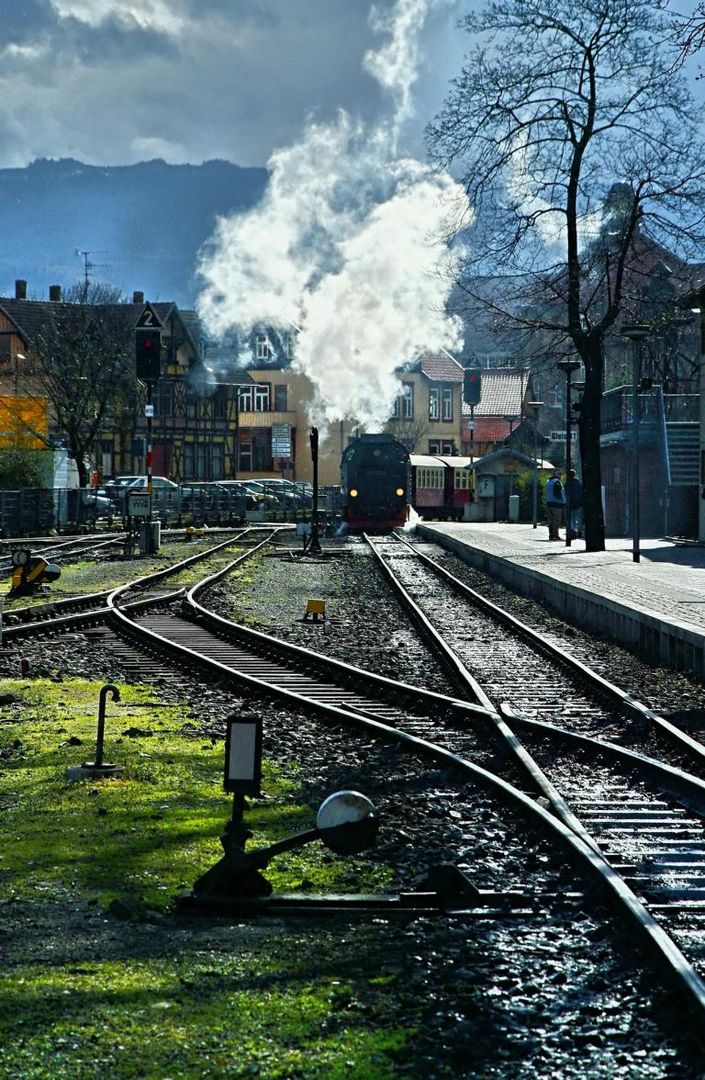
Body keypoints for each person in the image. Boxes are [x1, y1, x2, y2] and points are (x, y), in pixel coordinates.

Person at [545, 468, 565, 541]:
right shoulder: (557, 482)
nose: (560, 475)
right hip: (557, 503)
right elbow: (558, 492)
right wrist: (562, 500)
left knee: (550, 520)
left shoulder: (549, 481)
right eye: (559, 474)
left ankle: (551, 535)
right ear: (555, 474)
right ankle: (556, 535)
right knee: (556, 520)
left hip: (549, 502)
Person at [566, 468, 584, 539]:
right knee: (578, 518)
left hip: (571, 503)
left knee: (571, 517)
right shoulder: (579, 483)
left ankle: (573, 531)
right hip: (579, 503)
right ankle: (579, 531)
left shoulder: (568, 483)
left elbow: (566, 494)